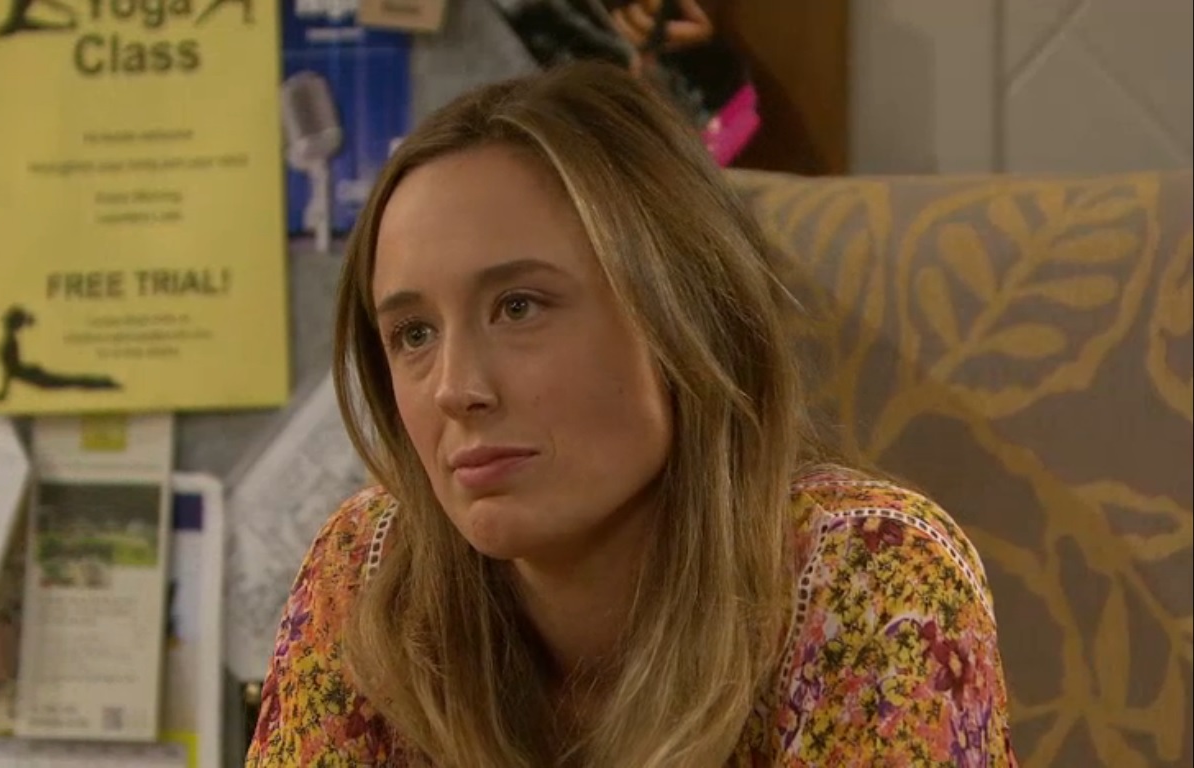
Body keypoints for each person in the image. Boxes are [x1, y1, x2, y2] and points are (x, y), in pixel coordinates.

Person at [247, 61, 1016, 767]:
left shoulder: (871, 574)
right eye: (414, 334)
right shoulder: (368, 568)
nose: (455, 388)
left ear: (683, 315)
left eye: (519, 307)